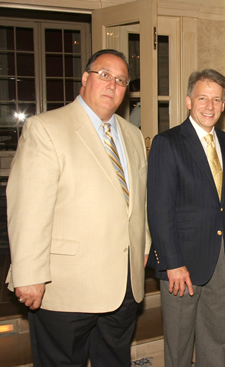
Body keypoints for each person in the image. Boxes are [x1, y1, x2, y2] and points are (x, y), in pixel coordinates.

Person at [6, 49, 151, 366]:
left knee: (114, 360)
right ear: (85, 79)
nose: (112, 85)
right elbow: (28, 208)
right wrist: (29, 273)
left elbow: (138, 200)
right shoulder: (46, 128)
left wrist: (144, 244)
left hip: (124, 285)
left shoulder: (133, 135)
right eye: (104, 75)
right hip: (66, 286)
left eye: (121, 80)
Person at [146, 69, 225, 367]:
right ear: (189, 101)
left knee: (216, 336)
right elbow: (159, 210)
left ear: (224, 105)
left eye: (217, 99)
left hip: (221, 258)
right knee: (179, 340)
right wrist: (172, 263)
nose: (209, 106)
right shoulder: (168, 142)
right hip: (181, 261)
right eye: (202, 98)